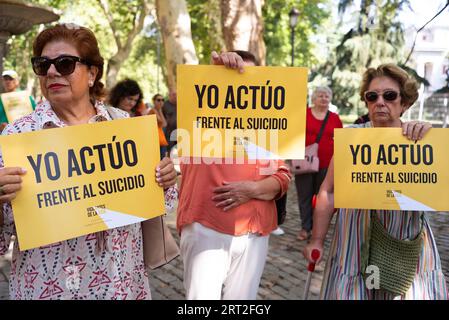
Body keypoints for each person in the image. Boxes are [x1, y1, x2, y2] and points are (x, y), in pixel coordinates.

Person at [0, 24, 177, 300]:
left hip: (121, 284)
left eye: (65, 63)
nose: (51, 72)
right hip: (49, 289)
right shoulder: (17, 136)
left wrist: (164, 178)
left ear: (92, 73)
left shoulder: (123, 123)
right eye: (42, 64)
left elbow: (157, 200)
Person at [303, 64, 448, 300]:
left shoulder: (419, 137)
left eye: (389, 95)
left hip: (404, 238)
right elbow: (328, 192)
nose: (380, 101)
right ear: (367, 102)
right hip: (354, 241)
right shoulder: (352, 137)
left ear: (404, 103)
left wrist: (428, 136)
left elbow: (437, 186)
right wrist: (316, 240)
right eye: (373, 96)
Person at [177, 50, 292, 300]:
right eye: (234, 77)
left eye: (249, 78)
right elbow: (195, 95)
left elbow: (283, 178)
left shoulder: (265, 130)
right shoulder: (200, 123)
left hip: (254, 232)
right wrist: (215, 70)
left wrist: (250, 190)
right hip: (205, 228)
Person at [295, 86, 343, 241]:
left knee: (322, 198)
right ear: (314, 98)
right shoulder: (304, 115)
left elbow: (341, 140)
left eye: (327, 96)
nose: (324, 98)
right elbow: (294, 135)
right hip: (304, 162)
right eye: (320, 96)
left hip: (326, 164)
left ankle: (317, 228)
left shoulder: (335, 118)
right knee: (305, 196)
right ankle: (305, 227)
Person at [147, 94, 168, 159]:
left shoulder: (159, 110)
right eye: (158, 100)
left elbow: (165, 124)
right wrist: (159, 110)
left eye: (162, 100)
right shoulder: (152, 111)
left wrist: (160, 110)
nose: (161, 102)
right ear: (154, 101)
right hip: (155, 140)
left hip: (160, 140)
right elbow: (162, 123)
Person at [162, 88, 177, 153]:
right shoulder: (164, 105)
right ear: (169, 95)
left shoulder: (181, 104)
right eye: (174, 94)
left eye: (177, 94)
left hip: (179, 131)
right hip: (169, 133)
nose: (176, 96)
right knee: (171, 151)